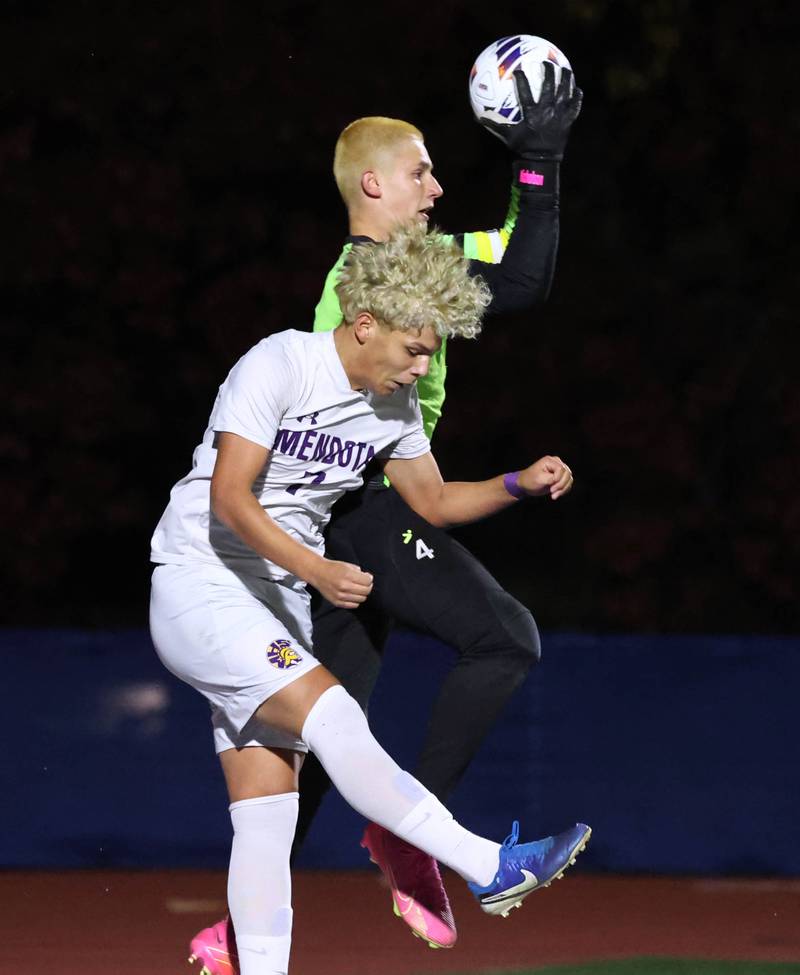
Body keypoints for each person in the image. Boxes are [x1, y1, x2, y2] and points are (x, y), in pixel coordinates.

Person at [190, 62, 583, 968]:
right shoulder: (378, 276)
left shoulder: (418, 260)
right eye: (422, 172)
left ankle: (235, 926)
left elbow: (524, 266)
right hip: (359, 505)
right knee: (506, 638)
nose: (438, 187)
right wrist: (539, 158)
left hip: (346, 511)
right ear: (374, 184)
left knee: (326, 731)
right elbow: (519, 284)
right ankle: (416, 832)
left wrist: (540, 164)